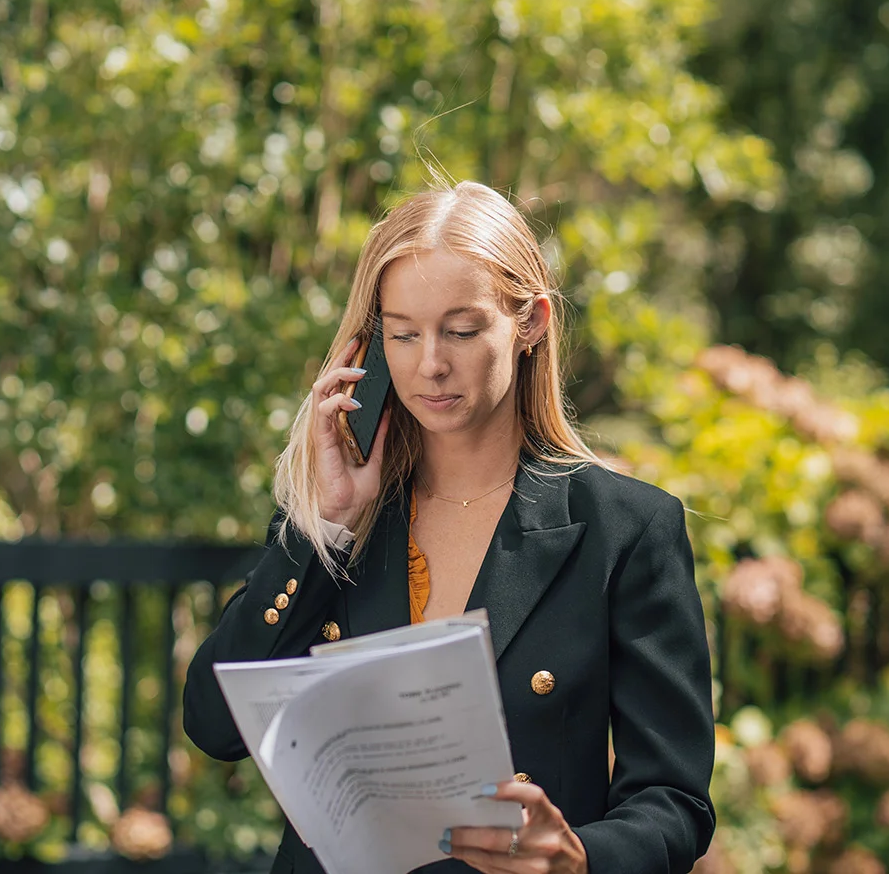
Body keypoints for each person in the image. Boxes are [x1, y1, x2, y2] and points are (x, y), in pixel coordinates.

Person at [182, 181, 714, 874]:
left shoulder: (626, 529)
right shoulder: (338, 519)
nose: (430, 364)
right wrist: (326, 526)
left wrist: (580, 859)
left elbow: (675, 801)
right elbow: (214, 727)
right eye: (403, 334)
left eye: (461, 331)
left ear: (530, 323)